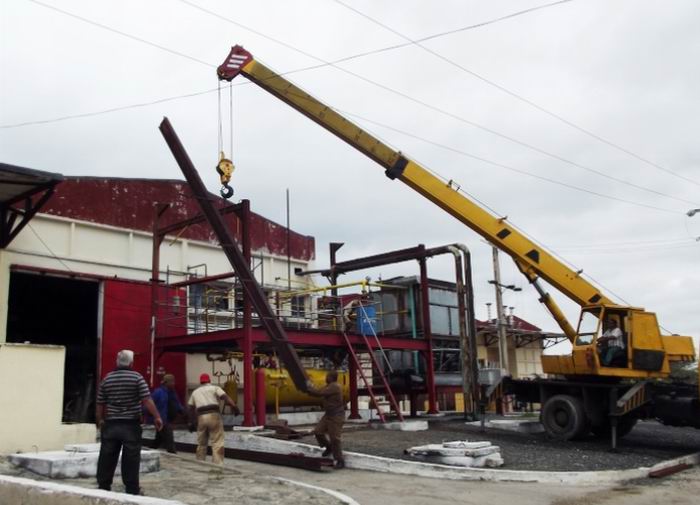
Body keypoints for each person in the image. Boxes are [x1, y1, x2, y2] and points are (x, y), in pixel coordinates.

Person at [96, 350, 163, 495]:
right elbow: (147, 400)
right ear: (131, 363)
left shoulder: (107, 379)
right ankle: (132, 490)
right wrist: (157, 417)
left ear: (117, 362)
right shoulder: (137, 378)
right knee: (131, 459)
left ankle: (103, 487)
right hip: (130, 425)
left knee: (107, 456)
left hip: (111, 424)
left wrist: (100, 420)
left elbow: (100, 402)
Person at [187, 373, 239, 465]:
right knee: (217, 442)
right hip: (214, 416)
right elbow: (225, 397)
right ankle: (217, 465)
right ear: (209, 381)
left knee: (201, 444)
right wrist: (234, 407)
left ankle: (200, 463)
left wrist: (191, 422)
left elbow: (190, 408)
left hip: (201, 417)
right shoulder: (214, 388)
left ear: (200, 382)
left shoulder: (195, 392)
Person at [306, 370, 346, 469]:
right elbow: (318, 392)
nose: (325, 378)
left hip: (336, 415)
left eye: (327, 376)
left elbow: (319, 393)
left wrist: (309, 386)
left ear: (332, 377)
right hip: (328, 415)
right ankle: (329, 447)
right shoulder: (328, 386)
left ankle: (340, 460)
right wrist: (310, 390)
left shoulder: (334, 386)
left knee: (335, 438)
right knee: (318, 432)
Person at [150, 374, 184, 454]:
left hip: (167, 418)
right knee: (169, 436)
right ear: (166, 383)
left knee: (158, 438)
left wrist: (182, 412)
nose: (173, 384)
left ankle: (151, 449)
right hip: (161, 418)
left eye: (174, 382)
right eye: (171, 382)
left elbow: (176, 403)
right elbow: (150, 403)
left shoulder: (172, 392)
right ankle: (172, 453)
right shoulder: (158, 392)